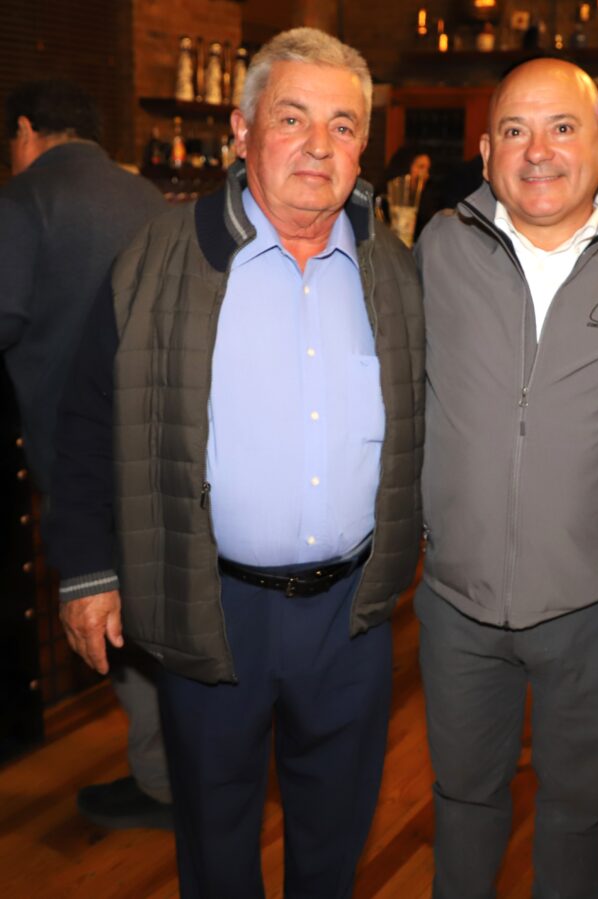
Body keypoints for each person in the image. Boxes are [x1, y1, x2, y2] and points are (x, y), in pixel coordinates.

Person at [46, 28, 423, 898]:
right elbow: (88, 418)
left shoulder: (393, 272)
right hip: (210, 604)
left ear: (362, 146)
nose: (318, 145)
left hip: (353, 614)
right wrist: (88, 571)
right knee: (215, 839)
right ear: (243, 130)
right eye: (292, 118)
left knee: (335, 835)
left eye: (342, 125)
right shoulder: (157, 258)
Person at [414, 57, 598, 898]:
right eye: (516, 130)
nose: (538, 151)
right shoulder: (439, 249)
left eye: (563, 128)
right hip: (456, 603)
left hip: (593, 608)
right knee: (463, 797)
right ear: (487, 152)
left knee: (576, 810)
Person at [0, 79, 172, 830]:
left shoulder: (24, 199)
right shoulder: (145, 194)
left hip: (77, 450)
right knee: (152, 616)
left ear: (26, 130)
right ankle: (180, 771)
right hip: (162, 443)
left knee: (110, 618)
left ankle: (169, 783)